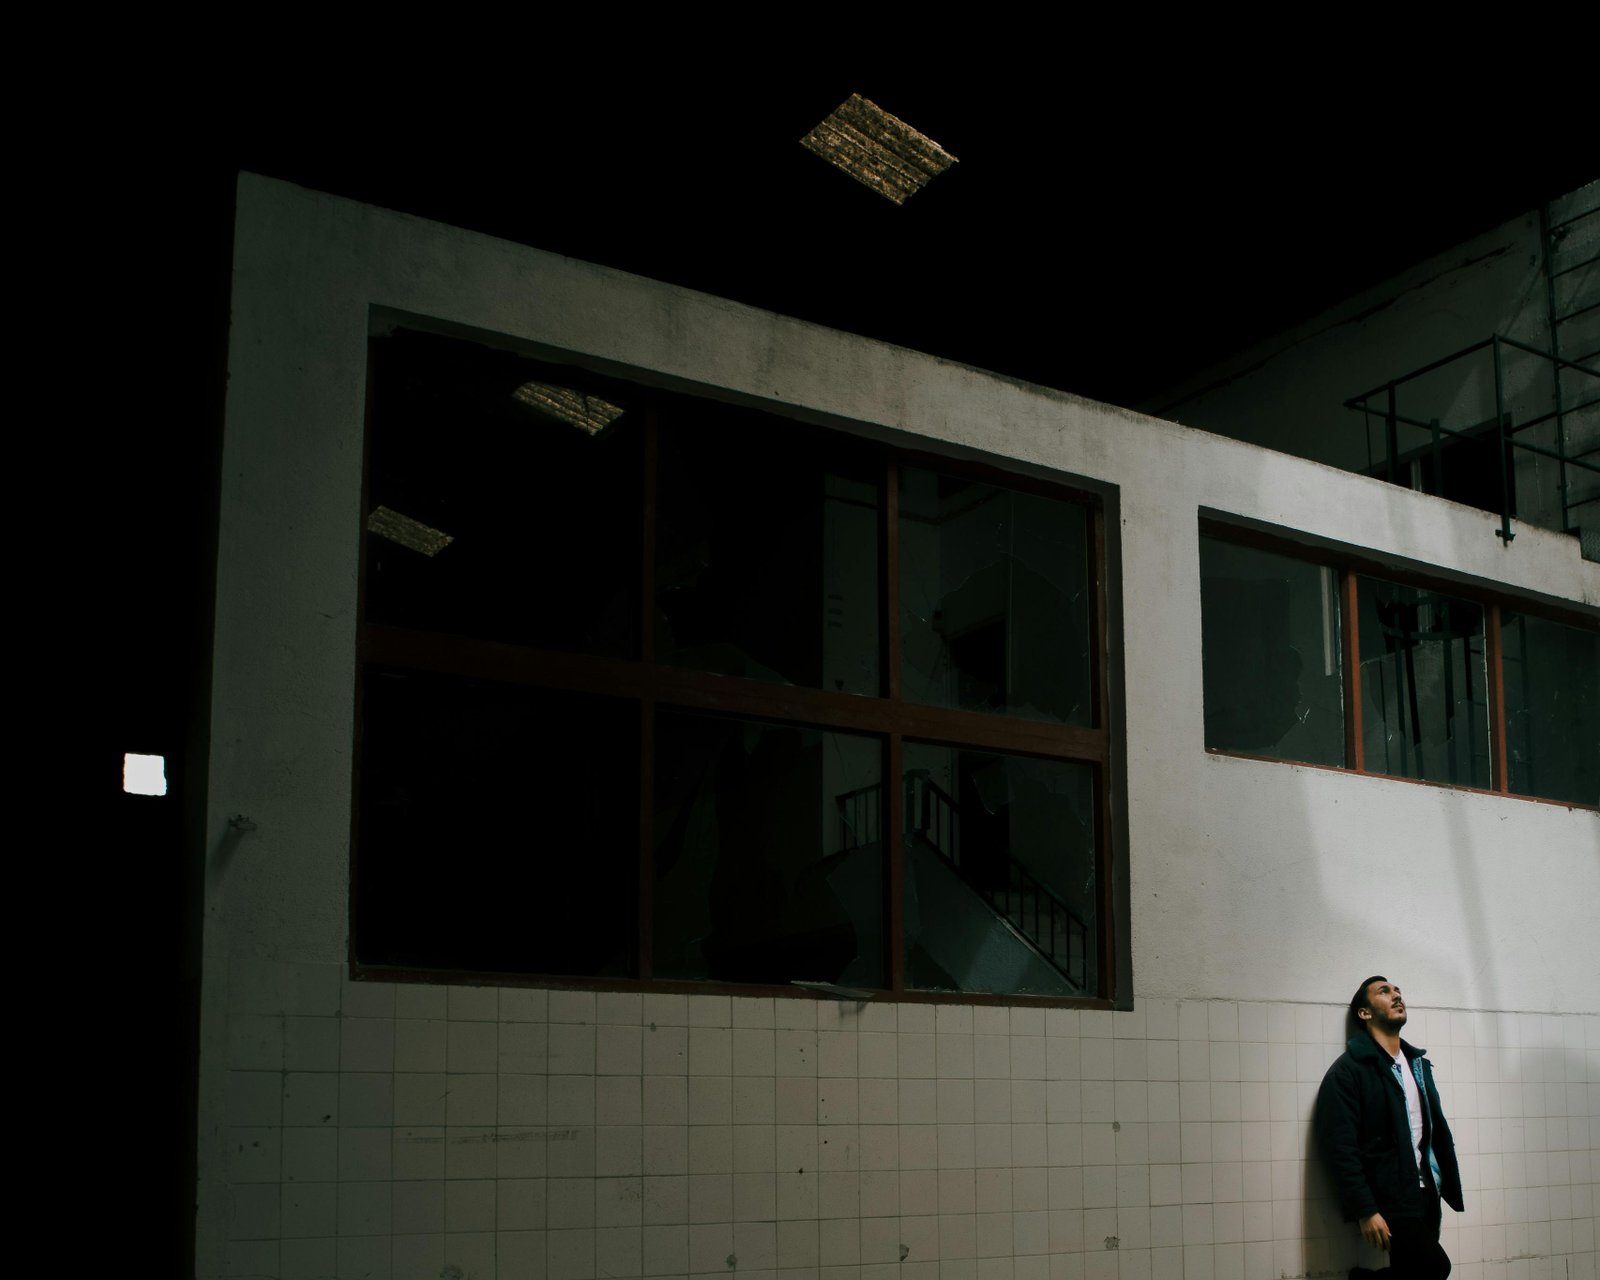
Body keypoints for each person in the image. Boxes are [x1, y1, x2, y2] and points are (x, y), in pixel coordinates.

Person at [1314, 976, 1464, 1280]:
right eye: (1384, 992)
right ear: (1365, 1013)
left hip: (1426, 1191)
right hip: (1390, 1197)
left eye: (1398, 991)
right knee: (1436, 1267)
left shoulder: (1419, 1066)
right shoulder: (1348, 1072)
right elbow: (1339, 1147)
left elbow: (1431, 1133)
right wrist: (1365, 1209)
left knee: (1412, 1273)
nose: (1396, 995)